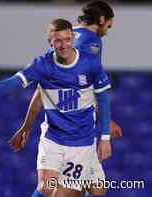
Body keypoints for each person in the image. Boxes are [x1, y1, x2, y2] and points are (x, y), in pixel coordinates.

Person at [0, 18, 111, 197]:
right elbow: (13, 83)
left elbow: (103, 99)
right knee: (47, 188)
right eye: (58, 40)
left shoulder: (90, 64)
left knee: (95, 191)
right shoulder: (42, 65)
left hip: (82, 142)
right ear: (50, 42)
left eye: (67, 39)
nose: (63, 45)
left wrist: (104, 137)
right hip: (53, 138)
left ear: (73, 38)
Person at [8, 1, 121, 196]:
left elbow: (45, 89)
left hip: (74, 128)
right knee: (65, 190)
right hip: (74, 133)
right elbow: (84, 89)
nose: (109, 29)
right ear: (102, 19)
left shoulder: (71, 34)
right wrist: (106, 121)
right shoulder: (91, 41)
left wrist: (26, 126)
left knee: (93, 189)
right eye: (109, 24)